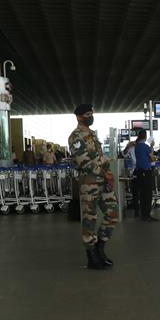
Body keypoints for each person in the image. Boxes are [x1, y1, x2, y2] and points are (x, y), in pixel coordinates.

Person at [67, 103, 118, 269]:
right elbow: (84, 162)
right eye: (87, 114)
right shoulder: (75, 137)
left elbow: (100, 157)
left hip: (103, 181)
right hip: (89, 182)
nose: (91, 116)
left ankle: (99, 247)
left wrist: (108, 173)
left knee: (112, 213)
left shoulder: (92, 135)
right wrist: (105, 173)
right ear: (79, 117)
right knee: (90, 218)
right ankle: (91, 256)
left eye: (92, 113)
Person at [134, 129, 159, 222]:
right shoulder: (145, 147)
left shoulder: (137, 146)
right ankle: (147, 215)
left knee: (142, 194)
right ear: (145, 136)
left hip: (139, 172)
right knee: (148, 194)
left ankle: (142, 214)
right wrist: (152, 148)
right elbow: (152, 158)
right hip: (146, 171)